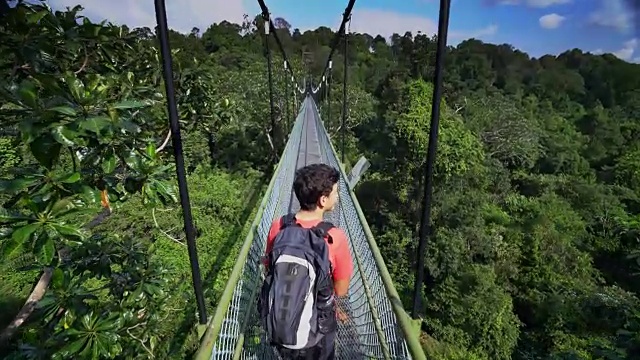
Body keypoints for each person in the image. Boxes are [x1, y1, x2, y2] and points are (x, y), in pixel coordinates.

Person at [260, 163, 353, 360]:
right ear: (323, 200)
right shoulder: (334, 237)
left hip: (280, 326)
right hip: (317, 333)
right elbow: (341, 290)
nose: (337, 196)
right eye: (335, 192)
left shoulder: (279, 225)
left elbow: (270, 268)